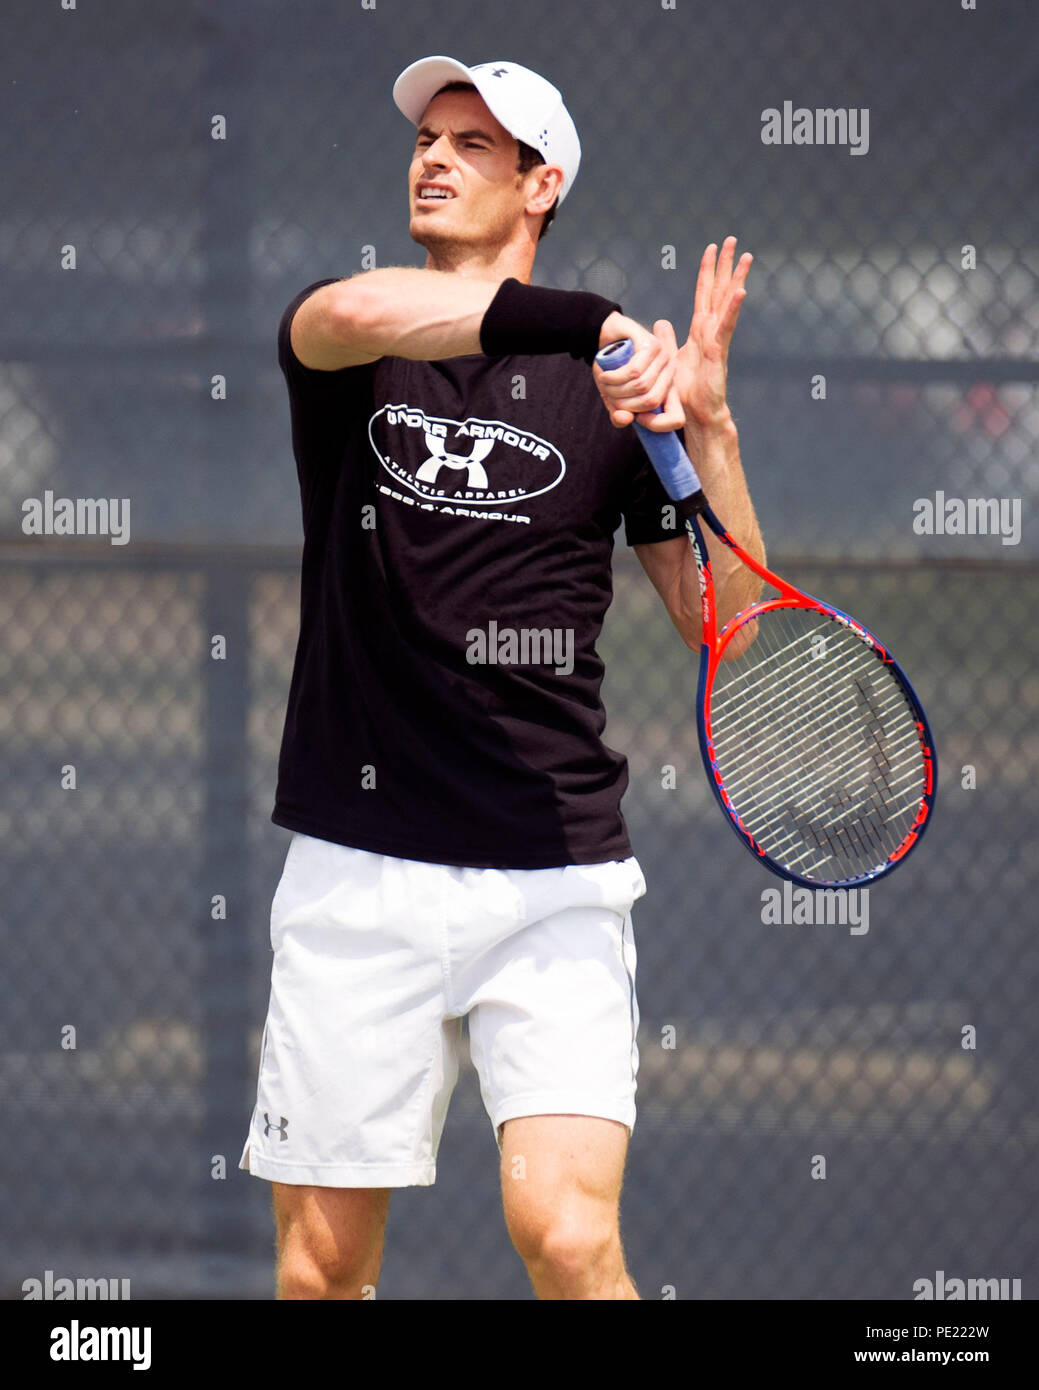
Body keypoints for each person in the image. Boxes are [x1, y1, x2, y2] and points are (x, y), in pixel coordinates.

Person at [239, 54, 764, 1300]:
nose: (432, 157)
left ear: (544, 183)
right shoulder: (350, 339)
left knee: (571, 1242)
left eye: (474, 145)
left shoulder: (618, 401)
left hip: (553, 872)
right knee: (319, 1270)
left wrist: (709, 429)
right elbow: (348, 319)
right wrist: (597, 323)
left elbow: (728, 624)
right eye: (428, 136)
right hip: (356, 860)